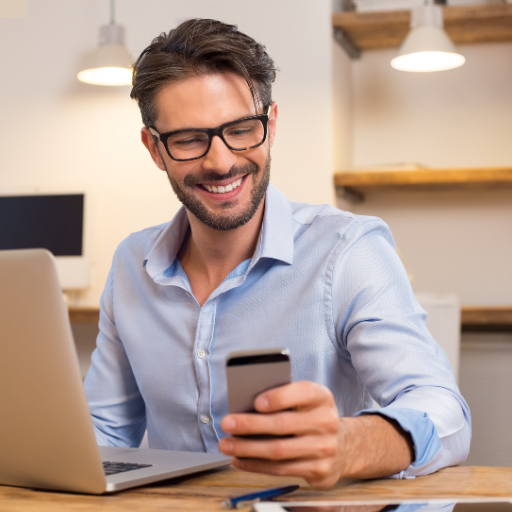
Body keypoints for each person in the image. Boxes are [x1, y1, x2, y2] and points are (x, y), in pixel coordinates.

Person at [84, 18, 471, 488]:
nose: (221, 161)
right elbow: (104, 436)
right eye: (188, 139)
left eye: (242, 129)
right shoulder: (132, 265)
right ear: (154, 149)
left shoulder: (348, 251)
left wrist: (351, 444)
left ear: (270, 124)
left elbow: (442, 410)